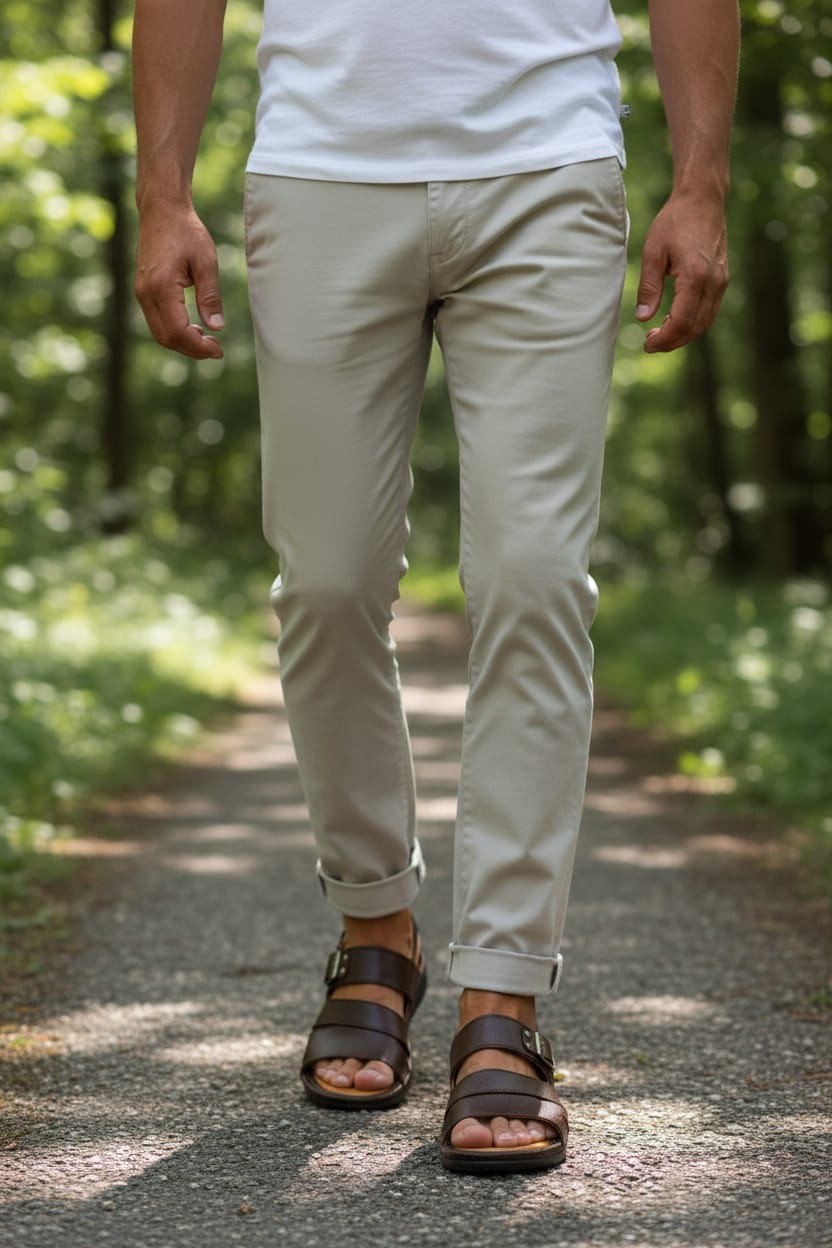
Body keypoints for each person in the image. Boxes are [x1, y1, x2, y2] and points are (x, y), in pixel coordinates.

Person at [133, 0, 739, 1174]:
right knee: (325, 581)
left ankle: (502, 999)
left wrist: (700, 179)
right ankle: (377, 929)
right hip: (318, 167)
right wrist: (162, 195)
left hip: (548, 162)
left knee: (533, 576)